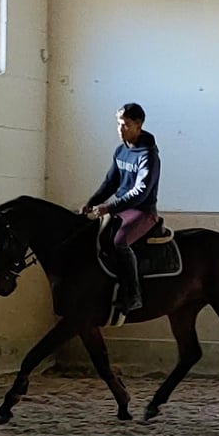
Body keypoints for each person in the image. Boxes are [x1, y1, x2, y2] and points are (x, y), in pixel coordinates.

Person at [80, 103, 160, 313]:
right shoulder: (120, 151)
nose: (120, 129)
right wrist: (92, 201)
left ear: (138, 125)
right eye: (118, 124)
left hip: (142, 211)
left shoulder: (148, 155)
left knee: (120, 242)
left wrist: (110, 208)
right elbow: (111, 182)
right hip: (121, 208)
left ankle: (134, 295)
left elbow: (140, 192)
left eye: (125, 125)